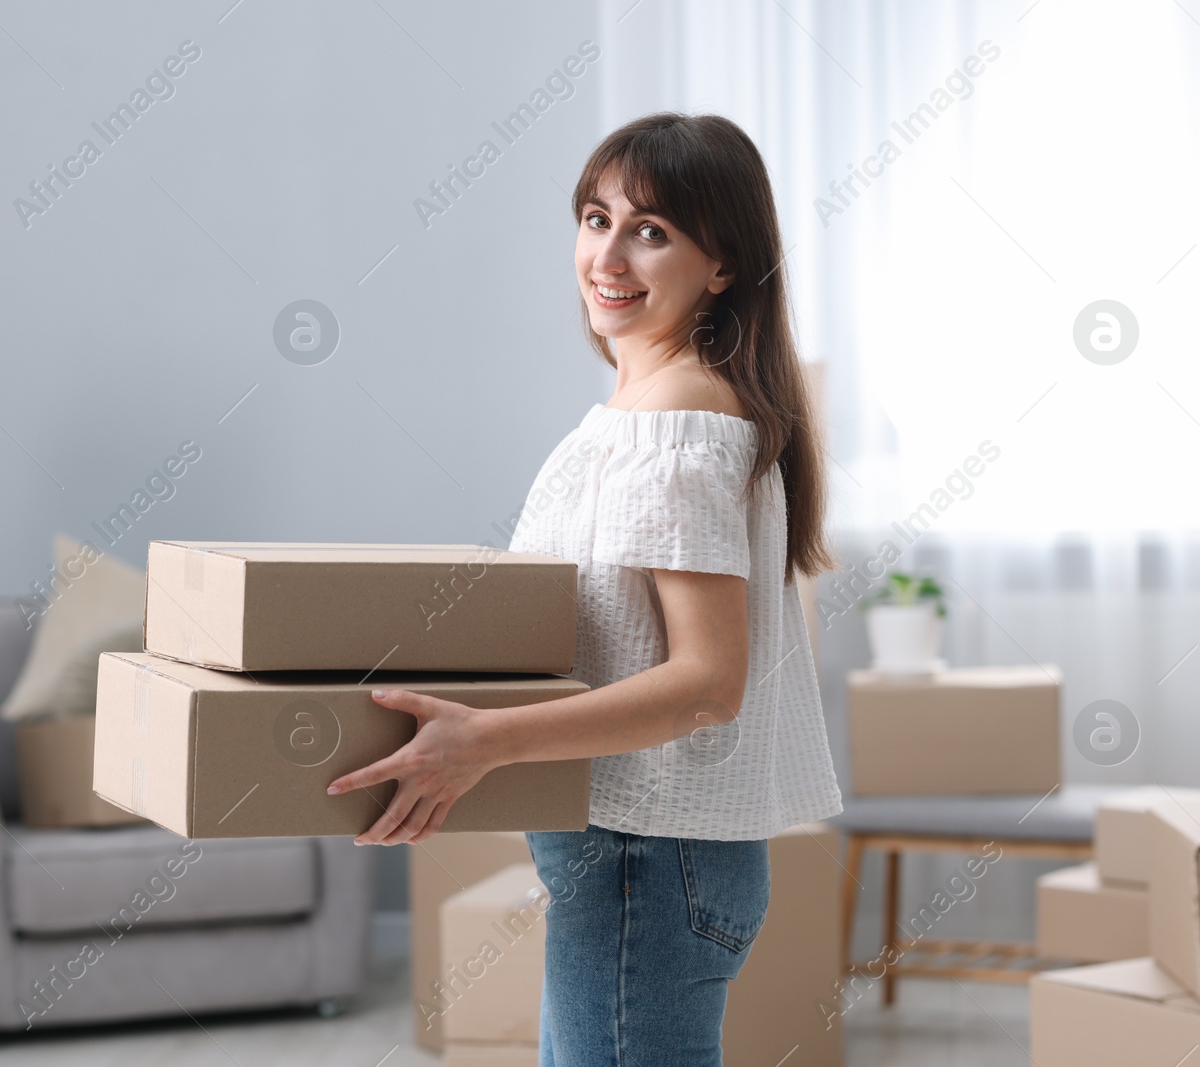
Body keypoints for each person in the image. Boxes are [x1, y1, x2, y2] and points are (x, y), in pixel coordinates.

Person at [327, 111, 843, 1066]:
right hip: (637, 866)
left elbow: (706, 684)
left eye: (652, 231)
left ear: (721, 265)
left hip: (650, 865)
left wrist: (481, 743)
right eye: (595, 217)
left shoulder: (678, 424)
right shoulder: (649, 408)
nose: (609, 253)